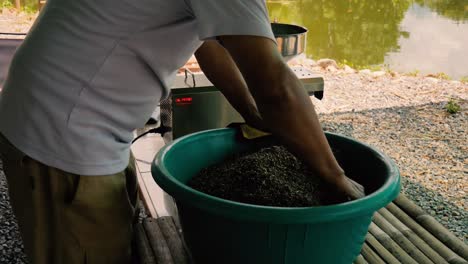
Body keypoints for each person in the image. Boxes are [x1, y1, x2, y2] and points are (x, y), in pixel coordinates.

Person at [0, 0, 364, 263]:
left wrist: (251, 112)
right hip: (63, 130)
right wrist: (335, 176)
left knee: (113, 232)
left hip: (74, 113)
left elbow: (208, 45)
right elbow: (277, 88)